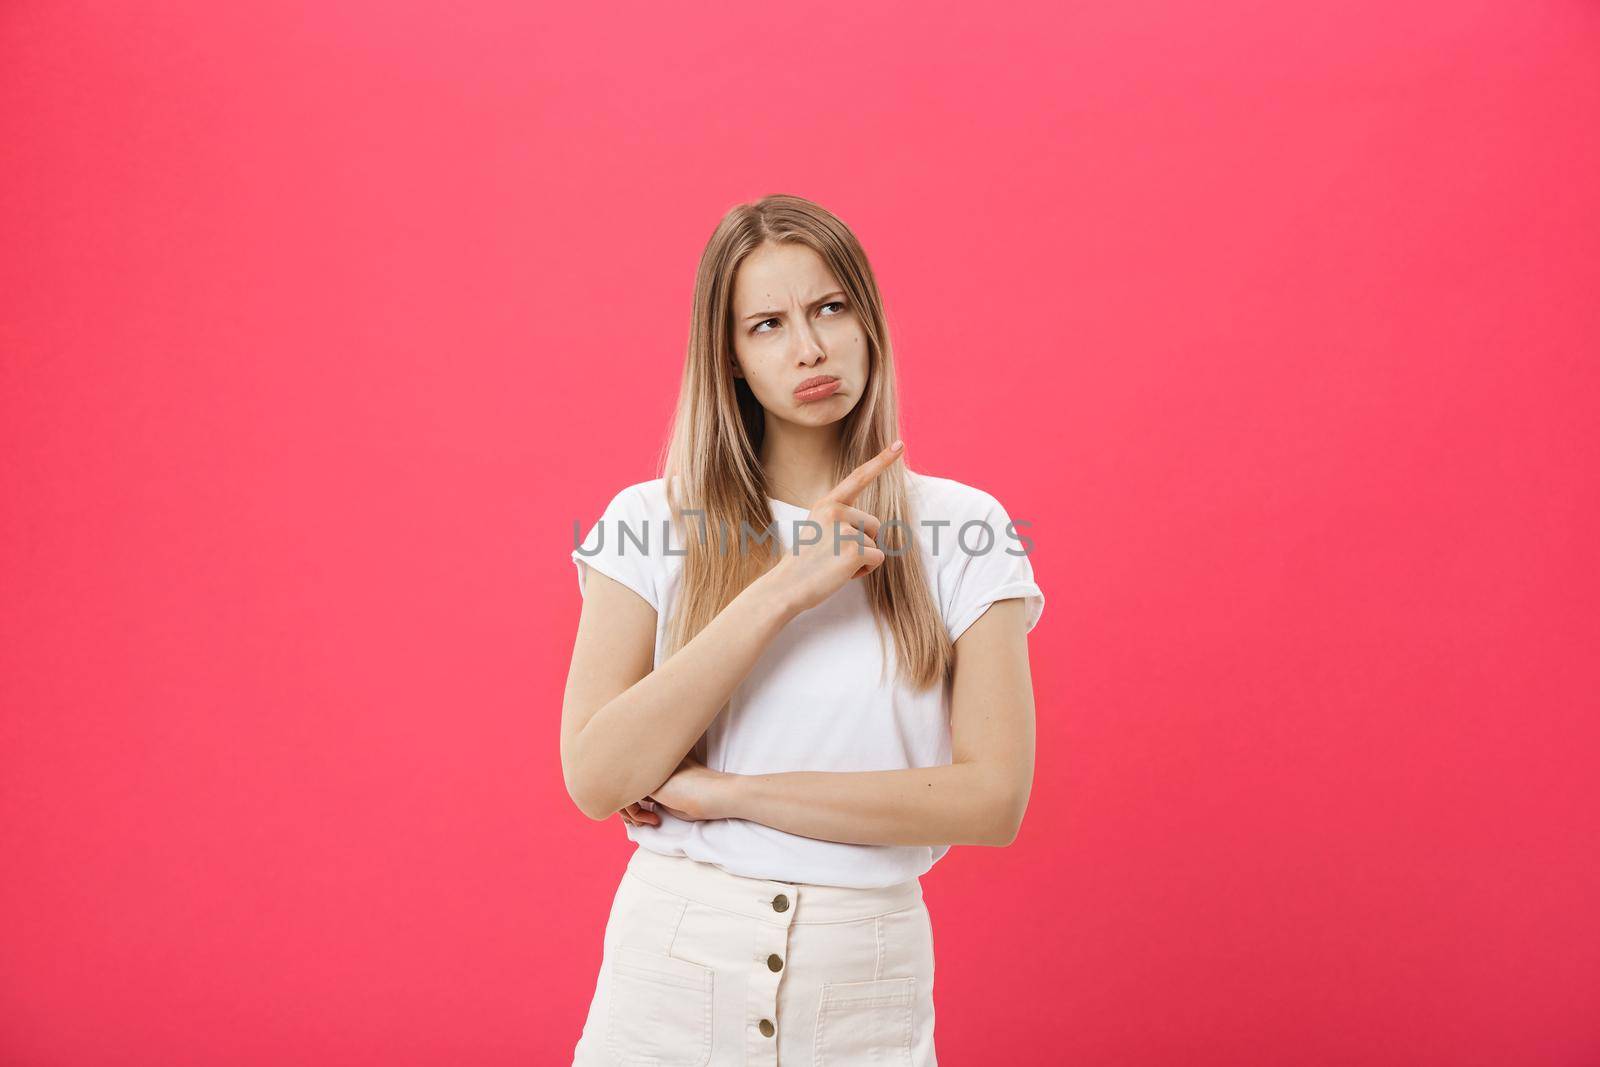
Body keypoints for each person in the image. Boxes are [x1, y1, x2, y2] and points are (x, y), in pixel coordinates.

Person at [562, 193, 1044, 1066]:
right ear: (732, 359)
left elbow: (993, 798)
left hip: (864, 978)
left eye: (830, 307)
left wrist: (732, 793)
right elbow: (597, 775)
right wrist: (785, 586)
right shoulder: (649, 521)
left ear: (868, 320)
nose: (810, 347)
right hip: (670, 972)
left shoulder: (966, 527)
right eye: (768, 324)